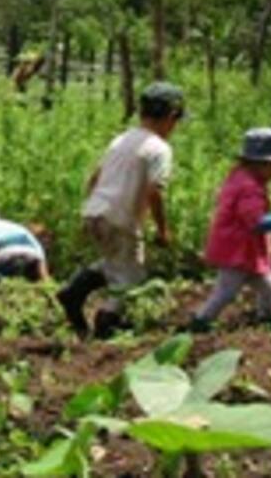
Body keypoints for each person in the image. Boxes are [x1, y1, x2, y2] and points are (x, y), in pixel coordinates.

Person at [57, 82, 186, 339]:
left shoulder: (122, 139)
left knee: (114, 262)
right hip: (120, 218)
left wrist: (92, 208)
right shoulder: (159, 149)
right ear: (171, 117)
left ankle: (74, 292)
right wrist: (163, 230)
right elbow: (154, 191)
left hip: (96, 210)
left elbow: (95, 178)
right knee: (132, 274)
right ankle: (108, 320)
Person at [188, 129, 271, 332]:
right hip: (236, 250)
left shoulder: (241, 178)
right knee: (226, 292)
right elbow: (256, 223)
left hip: (246, 250)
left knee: (268, 286)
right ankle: (201, 321)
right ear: (259, 164)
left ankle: (268, 319)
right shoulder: (248, 188)